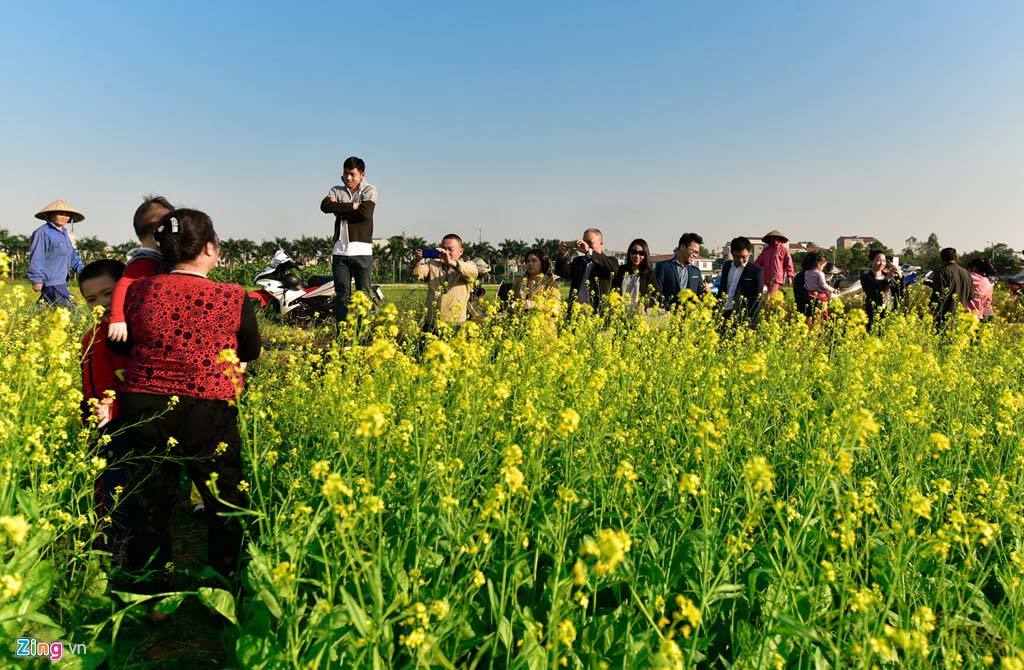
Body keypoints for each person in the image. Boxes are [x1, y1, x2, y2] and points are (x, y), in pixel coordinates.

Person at [106, 208, 260, 592]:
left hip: (145, 406)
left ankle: (152, 593)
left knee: (150, 503)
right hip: (209, 406)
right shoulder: (231, 296)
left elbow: (120, 347)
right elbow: (251, 350)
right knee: (223, 499)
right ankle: (223, 588)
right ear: (209, 248)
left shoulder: (137, 291)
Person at [107, 196, 174, 342]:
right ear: (161, 231)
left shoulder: (157, 259)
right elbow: (122, 285)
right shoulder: (145, 260)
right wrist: (117, 318)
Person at [320, 156, 378, 323]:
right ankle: (343, 336)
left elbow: (365, 213)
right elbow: (324, 206)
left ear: (362, 175)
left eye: (353, 174)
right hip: (339, 252)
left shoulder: (369, 190)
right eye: (346, 174)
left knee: (363, 295)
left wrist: (338, 209)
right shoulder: (336, 190)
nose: (349, 178)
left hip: (362, 251)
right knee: (341, 295)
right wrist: (352, 206)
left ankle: (363, 336)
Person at [79, 259, 128, 427]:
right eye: (91, 299)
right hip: (113, 422)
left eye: (108, 293)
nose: (101, 303)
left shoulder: (145, 326)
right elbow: (96, 395)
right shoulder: (94, 340)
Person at [412, 234, 480, 331]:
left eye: (450, 249)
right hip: (432, 322)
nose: (446, 252)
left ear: (461, 251)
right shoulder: (432, 264)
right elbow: (418, 274)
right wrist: (417, 260)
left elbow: (473, 272)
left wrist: (451, 262)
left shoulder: (467, 265)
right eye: (443, 249)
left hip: (455, 323)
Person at [27, 199, 85, 306]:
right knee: (71, 311)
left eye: (67, 214)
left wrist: (85, 272)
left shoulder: (64, 234)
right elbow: (37, 256)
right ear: (50, 214)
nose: (64, 217)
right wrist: (36, 279)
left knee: (44, 314)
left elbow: (72, 256)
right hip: (50, 282)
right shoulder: (42, 232)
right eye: (60, 214)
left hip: (61, 281)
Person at [555, 228, 618, 316]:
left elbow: (612, 269)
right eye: (584, 242)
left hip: (596, 314)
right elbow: (561, 272)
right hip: (575, 313)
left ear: (601, 243)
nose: (585, 245)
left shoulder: (610, 261)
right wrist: (563, 254)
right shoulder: (578, 261)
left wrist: (589, 251)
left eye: (590, 242)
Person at [717, 237, 764, 323]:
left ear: (750, 253)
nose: (740, 260)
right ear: (732, 253)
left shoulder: (756, 271)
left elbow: (758, 299)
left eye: (744, 257)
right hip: (723, 313)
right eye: (737, 257)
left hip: (741, 317)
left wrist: (750, 321)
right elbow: (722, 288)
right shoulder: (726, 266)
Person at [654, 233, 706, 309]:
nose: (695, 255)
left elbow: (699, 296)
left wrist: (706, 292)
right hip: (668, 316)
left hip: (690, 317)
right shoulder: (663, 267)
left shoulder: (696, 271)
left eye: (697, 252)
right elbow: (657, 293)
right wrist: (670, 308)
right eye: (693, 251)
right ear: (682, 247)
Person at [612, 238, 662, 311]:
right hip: (620, 312)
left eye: (641, 253)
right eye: (634, 252)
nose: (637, 256)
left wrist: (644, 304)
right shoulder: (621, 270)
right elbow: (614, 291)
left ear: (645, 255)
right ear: (629, 253)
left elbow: (657, 297)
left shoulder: (649, 274)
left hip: (639, 315)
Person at [860, 249, 904, 330]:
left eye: (884, 261)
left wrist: (900, 278)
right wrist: (887, 279)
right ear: (871, 261)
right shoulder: (866, 278)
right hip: (874, 315)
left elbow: (899, 292)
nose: (882, 263)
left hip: (891, 313)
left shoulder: (888, 276)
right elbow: (874, 290)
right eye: (878, 260)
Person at [930, 247, 974, 325]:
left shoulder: (941, 273)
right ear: (956, 258)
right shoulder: (967, 273)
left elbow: (938, 295)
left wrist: (931, 311)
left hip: (944, 316)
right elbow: (971, 296)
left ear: (942, 258)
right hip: (961, 317)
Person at [753, 229, 795, 300]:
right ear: (769, 239)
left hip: (777, 277)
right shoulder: (765, 251)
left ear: (780, 239)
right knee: (773, 298)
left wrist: (789, 276)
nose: (774, 239)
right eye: (772, 238)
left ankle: (773, 309)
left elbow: (789, 263)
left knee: (771, 297)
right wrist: (752, 271)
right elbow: (757, 263)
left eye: (776, 237)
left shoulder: (783, 250)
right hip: (766, 277)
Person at [803, 251, 837, 316]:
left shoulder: (807, 272)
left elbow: (806, 284)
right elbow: (823, 285)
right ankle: (825, 318)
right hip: (820, 295)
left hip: (809, 294)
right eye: (823, 266)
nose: (823, 268)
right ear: (819, 264)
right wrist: (833, 290)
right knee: (823, 309)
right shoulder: (820, 273)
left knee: (812, 311)